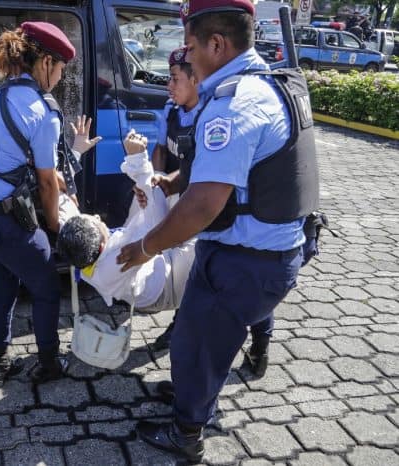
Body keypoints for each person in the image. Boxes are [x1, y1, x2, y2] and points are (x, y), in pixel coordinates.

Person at [117, 0, 318, 461]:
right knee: (204, 338)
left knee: (196, 340)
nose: (185, 57)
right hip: (264, 253)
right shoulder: (267, 82)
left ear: (216, 43)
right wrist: (170, 181)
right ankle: (194, 394)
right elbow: (220, 170)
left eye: (188, 47)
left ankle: (186, 434)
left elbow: (205, 204)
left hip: (244, 261)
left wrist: (145, 247)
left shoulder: (234, 104)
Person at [0, 21, 100, 388]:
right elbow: (49, 182)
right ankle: (49, 364)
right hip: (1, 220)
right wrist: (54, 225)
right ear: (46, 62)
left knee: (3, 284)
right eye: (60, 69)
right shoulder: (42, 111)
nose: (60, 77)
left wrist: (73, 158)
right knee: (46, 286)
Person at [145, 46, 275, 371]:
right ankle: (181, 325)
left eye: (175, 79)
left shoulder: (214, 114)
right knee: (191, 272)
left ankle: (260, 343)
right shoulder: (172, 111)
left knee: (250, 293)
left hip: (214, 209)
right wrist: (157, 181)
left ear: (195, 79)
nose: (169, 86)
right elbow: (164, 153)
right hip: (185, 199)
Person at [58, 131, 196, 315]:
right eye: (98, 223)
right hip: (167, 285)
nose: (98, 217)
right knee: (210, 236)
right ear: (101, 244)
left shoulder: (75, 240)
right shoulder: (117, 260)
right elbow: (157, 230)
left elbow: (60, 193)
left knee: (152, 189)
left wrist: (76, 150)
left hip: (149, 261)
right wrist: (138, 158)